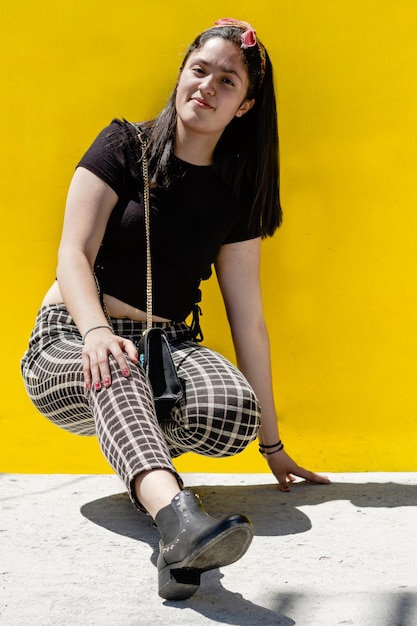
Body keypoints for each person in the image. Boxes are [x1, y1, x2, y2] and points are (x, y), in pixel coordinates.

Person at [21, 18, 330, 600]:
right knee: (117, 361)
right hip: (71, 338)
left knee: (231, 409)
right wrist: (93, 332)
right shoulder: (122, 146)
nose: (207, 86)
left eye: (227, 81)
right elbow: (72, 253)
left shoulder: (236, 193)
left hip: (167, 349)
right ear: (182, 74)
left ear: (244, 106)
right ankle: (181, 516)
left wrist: (272, 443)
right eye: (199, 70)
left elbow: (249, 318)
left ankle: (174, 541)